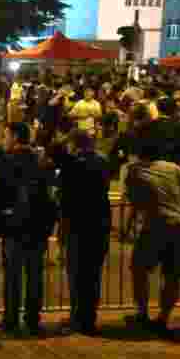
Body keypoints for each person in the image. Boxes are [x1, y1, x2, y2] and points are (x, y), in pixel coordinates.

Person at [124, 136, 180, 340]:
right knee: (173, 274)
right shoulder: (172, 167)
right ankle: (163, 318)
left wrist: (129, 226)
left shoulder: (135, 170)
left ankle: (143, 313)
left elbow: (135, 200)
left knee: (139, 267)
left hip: (158, 223)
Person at [0, 122, 56, 336]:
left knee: (12, 276)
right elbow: (50, 196)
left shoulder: (7, 162)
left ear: (15, 137)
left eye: (6, 136)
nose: (4, 139)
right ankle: (32, 319)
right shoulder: (41, 162)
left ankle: (11, 319)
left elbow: (1, 196)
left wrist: (0, 224)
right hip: (38, 227)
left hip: (15, 227)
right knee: (34, 275)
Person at [58, 130, 112, 335]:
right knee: (93, 274)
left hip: (78, 226)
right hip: (99, 224)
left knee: (77, 274)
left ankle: (77, 318)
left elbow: (64, 197)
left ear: (74, 145)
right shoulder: (102, 162)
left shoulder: (72, 165)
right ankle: (89, 318)